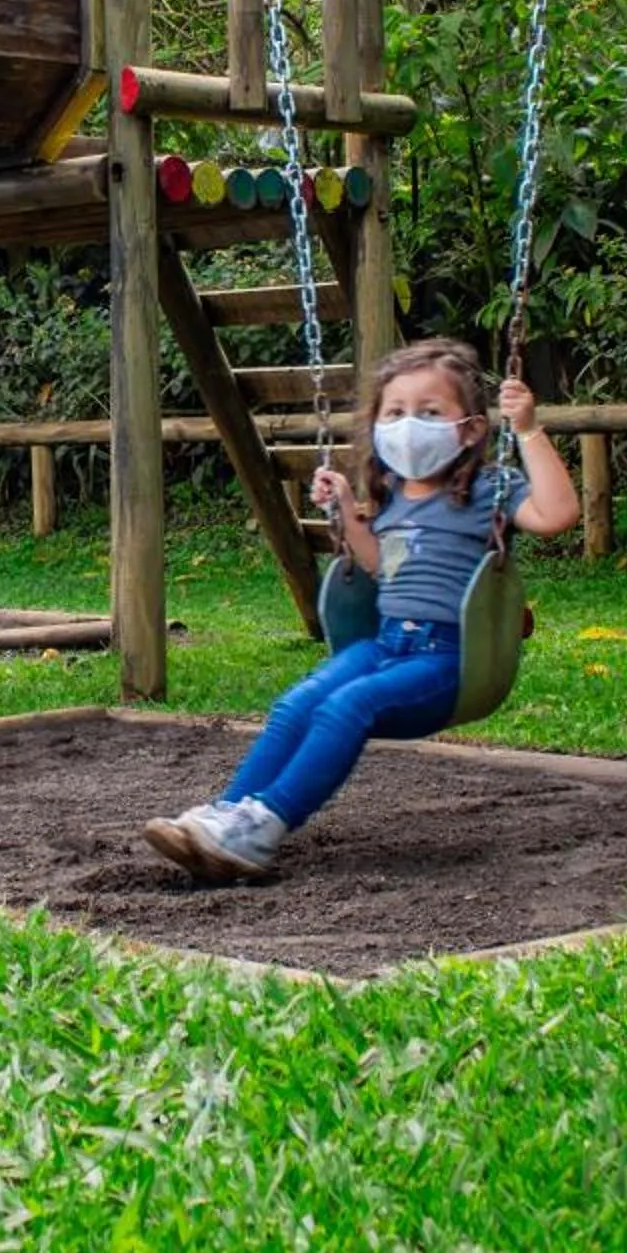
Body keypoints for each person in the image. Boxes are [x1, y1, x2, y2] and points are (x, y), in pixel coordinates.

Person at [142, 338, 582, 879]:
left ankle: (262, 827)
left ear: (468, 428)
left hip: (449, 660)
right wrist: (348, 513)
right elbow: (381, 566)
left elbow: (559, 513)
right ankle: (225, 814)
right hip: (386, 643)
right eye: (395, 412)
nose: (408, 424)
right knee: (296, 703)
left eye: (429, 412)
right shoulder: (394, 494)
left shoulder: (491, 489)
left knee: (345, 707)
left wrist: (529, 430)